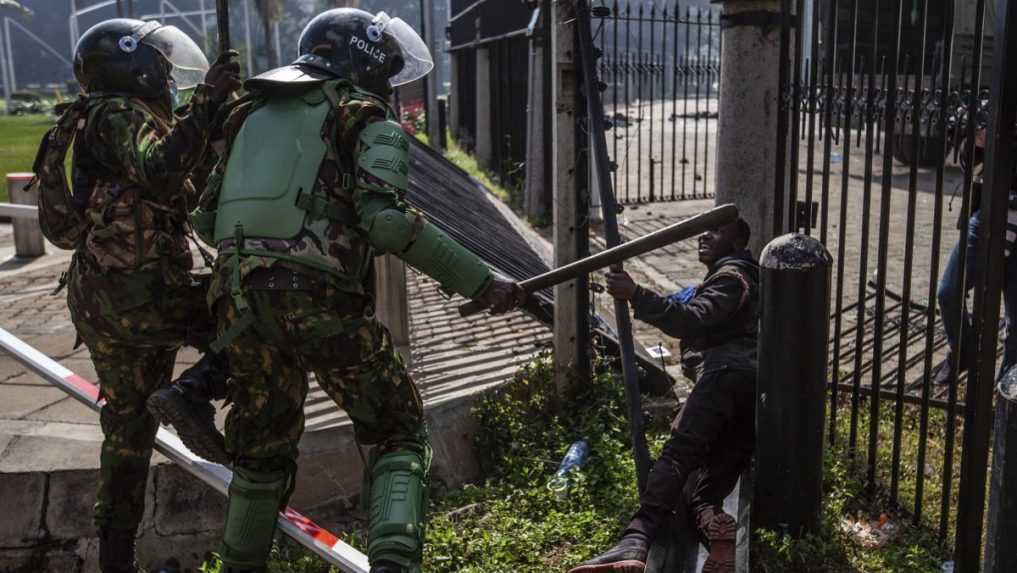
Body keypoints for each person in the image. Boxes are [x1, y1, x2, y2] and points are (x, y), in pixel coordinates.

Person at [182, 8, 524, 572]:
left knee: (262, 455)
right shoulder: (364, 116)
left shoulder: (249, 113)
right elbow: (386, 224)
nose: (388, 82)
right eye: (386, 69)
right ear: (363, 62)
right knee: (396, 432)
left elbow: (204, 220)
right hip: (318, 300)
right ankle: (393, 563)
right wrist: (481, 282)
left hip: (237, 302)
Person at [34, 18, 240, 573]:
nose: (171, 74)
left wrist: (210, 117)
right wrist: (209, 104)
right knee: (254, 316)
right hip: (142, 297)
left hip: (105, 299)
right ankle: (195, 394)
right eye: (162, 64)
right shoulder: (117, 112)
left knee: (127, 428)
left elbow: (181, 182)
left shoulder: (97, 116)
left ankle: (116, 558)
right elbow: (161, 169)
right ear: (135, 66)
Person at [569, 219, 758, 573]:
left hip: (723, 377)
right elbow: (683, 305)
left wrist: (637, 295)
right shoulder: (734, 282)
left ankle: (635, 540)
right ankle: (718, 538)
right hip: (749, 394)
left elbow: (691, 318)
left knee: (677, 453)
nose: (704, 234)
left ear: (737, 244)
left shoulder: (733, 277)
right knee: (708, 486)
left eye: (716, 231)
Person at [934, 128, 1017, 387]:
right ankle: (963, 351)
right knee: (948, 291)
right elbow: (968, 163)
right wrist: (977, 141)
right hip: (989, 217)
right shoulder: (1001, 96)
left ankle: (1005, 399)